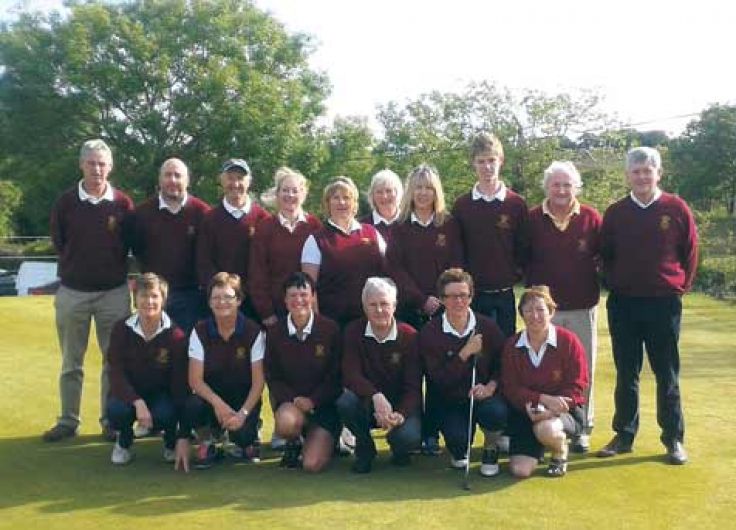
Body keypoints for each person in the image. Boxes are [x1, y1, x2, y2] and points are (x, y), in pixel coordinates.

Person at [596, 147, 698, 465]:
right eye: (636, 171)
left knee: (666, 374)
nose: (642, 176)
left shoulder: (676, 208)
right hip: (624, 303)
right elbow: (604, 255)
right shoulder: (615, 213)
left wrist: (678, 287)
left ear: (659, 173)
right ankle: (624, 435)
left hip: (663, 304)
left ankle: (673, 439)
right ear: (627, 175)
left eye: (648, 170)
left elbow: (690, 253)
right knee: (627, 373)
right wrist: (616, 282)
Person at [43, 139, 134, 443]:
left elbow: (129, 244)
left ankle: (110, 419)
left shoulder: (123, 203)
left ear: (111, 167)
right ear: (81, 164)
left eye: (102, 163)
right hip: (73, 293)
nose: (97, 169)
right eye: (91, 163)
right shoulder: (65, 202)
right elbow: (59, 241)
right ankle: (68, 420)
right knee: (72, 362)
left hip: (114, 292)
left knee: (113, 361)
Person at [386, 163, 463, 455]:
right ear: (410, 191)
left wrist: (441, 299)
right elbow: (395, 268)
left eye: (428, 187)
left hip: (444, 312)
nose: (422, 193)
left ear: (436, 191)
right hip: (409, 311)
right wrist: (421, 299)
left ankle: (432, 433)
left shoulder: (449, 224)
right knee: (411, 374)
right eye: (418, 187)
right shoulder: (399, 227)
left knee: (438, 374)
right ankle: (411, 430)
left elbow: (456, 266)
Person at [525, 161, 601, 453]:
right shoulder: (532, 219)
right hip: (541, 313)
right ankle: (547, 426)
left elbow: (605, 258)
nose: (561, 190)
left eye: (567, 184)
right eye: (556, 184)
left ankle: (581, 428)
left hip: (582, 308)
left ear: (576, 187)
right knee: (543, 371)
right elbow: (522, 258)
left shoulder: (592, 218)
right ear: (547, 187)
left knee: (583, 371)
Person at [418, 268, 507, 477]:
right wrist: (464, 353)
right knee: (458, 446)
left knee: (496, 413)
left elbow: (503, 365)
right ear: (441, 299)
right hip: (450, 400)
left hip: (484, 396)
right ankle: (460, 449)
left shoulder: (487, 326)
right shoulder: (430, 333)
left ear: (471, 296)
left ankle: (490, 448)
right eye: (452, 296)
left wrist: (490, 386)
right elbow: (438, 379)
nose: (459, 301)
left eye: (463, 296)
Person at [501, 286, 589, 478]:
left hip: (563, 412)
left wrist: (551, 409)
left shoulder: (569, 341)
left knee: (546, 429)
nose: (535, 316)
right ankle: (539, 447)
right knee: (520, 471)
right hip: (525, 413)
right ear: (521, 314)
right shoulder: (512, 345)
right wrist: (542, 399)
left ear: (551, 311)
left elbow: (578, 384)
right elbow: (511, 388)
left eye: (541, 310)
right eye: (528, 310)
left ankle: (559, 452)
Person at [337, 277, 422, 473]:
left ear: (394, 305)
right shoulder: (352, 332)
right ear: (364, 307)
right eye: (373, 304)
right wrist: (376, 396)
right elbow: (350, 374)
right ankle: (365, 449)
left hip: (400, 407)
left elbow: (414, 387)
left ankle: (400, 450)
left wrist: (400, 414)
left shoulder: (410, 336)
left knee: (407, 438)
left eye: (384, 304)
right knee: (345, 402)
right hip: (368, 403)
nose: (379, 310)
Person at [181, 272, 265, 468]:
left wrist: (243, 414)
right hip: (211, 400)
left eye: (228, 297)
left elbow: (258, 382)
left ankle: (247, 438)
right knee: (192, 405)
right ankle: (207, 441)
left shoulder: (254, 331)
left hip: (242, 400)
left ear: (239, 300)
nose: (222, 303)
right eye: (216, 298)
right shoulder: (200, 331)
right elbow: (195, 380)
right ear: (209, 302)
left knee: (243, 436)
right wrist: (219, 405)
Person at [105, 273, 190, 468]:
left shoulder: (176, 336)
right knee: (116, 411)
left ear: (163, 300)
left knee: (165, 413)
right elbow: (115, 372)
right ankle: (123, 443)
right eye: (143, 296)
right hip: (130, 394)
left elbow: (179, 384)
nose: (149, 301)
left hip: (161, 395)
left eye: (154, 296)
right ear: (135, 298)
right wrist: (137, 401)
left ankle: (170, 442)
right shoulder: (121, 329)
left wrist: (182, 435)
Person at [452, 132, 529, 338]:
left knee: (505, 349)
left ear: (501, 161)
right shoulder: (462, 205)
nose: (487, 167)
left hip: (505, 294)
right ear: (473, 164)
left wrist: (515, 274)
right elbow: (457, 250)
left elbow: (523, 247)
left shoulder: (516, 204)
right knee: (476, 352)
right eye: (481, 161)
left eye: (492, 160)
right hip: (473, 295)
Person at [264, 272, 342, 472]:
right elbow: (273, 377)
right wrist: (295, 400)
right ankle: (294, 442)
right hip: (293, 406)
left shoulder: (330, 329)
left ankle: (327, 441)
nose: (298, 300)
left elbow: (336, 377)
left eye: (303, 294)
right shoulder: (275, 333)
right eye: (292, 295)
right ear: (284, 299)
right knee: (286, 422)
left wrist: (314, 400)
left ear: (313, 296)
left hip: (324, 409)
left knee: (311, 465)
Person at [132, 158, 211, 334]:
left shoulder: (203, 213)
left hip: (191, 297)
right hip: (153, 295)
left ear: (187, 181)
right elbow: (137, 250)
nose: (173, 180)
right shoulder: (142, 213)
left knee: (186, 351)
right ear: (160, 180)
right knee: (153, 350)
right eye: (168, 175)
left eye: (178, 175)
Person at [301, 176, 387, 328]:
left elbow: (388, 274)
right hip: (334, 324)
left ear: (354, 203)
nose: (341, 202)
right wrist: (318, 326)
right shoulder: (316, 240)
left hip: (371, 322)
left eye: (347, 198)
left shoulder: (373, 234)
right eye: (336, 198)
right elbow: (309, 289)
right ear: (327, 203)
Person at [197, 158, 270, 318]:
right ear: (221, 181)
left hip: (255, 304)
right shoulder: (209, 219)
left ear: (249, 181)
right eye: (230, 178)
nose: (235, 184)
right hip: (220, 304)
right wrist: (222, 293)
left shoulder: (263, 218)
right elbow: (203, 262)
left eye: (240, 178)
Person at [248, 167, 322, 327]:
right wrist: (266, 313)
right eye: (285, 190)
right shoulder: (265, 227)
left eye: (295, 191)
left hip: (308, 310)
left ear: (303, 194)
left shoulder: (315, 226)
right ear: (277, 194)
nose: (290, 195)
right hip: (276, 312)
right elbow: (257, 273)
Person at [359, 169, 403, 242]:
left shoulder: (410, 222)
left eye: (388, 191)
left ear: (397, 193)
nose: (384, 196)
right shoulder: (361, 226)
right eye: (379, 192)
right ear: (372, 195)